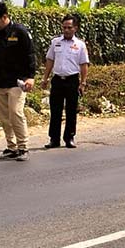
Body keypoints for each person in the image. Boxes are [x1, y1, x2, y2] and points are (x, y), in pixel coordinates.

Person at [0, 2, 36, 161]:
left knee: (15, 113)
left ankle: (23, 147)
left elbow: (30, 55)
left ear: (5, 17)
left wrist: (31, 77)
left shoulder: (20, 32)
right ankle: (11, 147)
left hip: (17, 81)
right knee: (4, 117)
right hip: (0, 81)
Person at [41, 14, 90, 149]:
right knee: (55, 110)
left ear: (75, 28)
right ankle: (54, 139)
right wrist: (45, 78)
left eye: (69, 27)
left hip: (72, 80)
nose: (66, 30)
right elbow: (50, 60)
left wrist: (83, 83)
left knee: (71, 110)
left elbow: (84, 64)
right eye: (64, 27)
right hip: (57, 80)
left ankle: (69, 138)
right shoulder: (55, 42)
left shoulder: (79, 45)